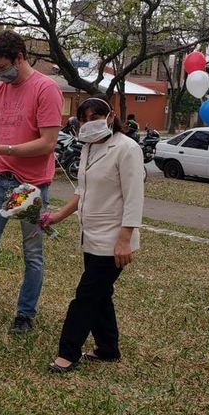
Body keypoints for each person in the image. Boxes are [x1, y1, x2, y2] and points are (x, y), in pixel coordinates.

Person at [0, 30, 63, 333]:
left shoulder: (46, 89)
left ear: (20, 57)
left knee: (32, 254)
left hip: (32, 187)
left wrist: (4, 149)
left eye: (4, 67)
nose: (0, 74)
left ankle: (25, 314)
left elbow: (47, 143)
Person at [47, 97, 144, 372]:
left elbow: (134, 197)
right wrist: (58, 216)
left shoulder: (127, 149)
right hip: (90, 235)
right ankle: (108, 348)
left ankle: (68, 353)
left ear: (111, 116)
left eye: (96, 116)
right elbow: (83, 191)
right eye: (85, 118)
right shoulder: (88, 148)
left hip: (114, 239)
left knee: (86, 295)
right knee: (101, 293)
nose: (90, 123)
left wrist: (125, 240)